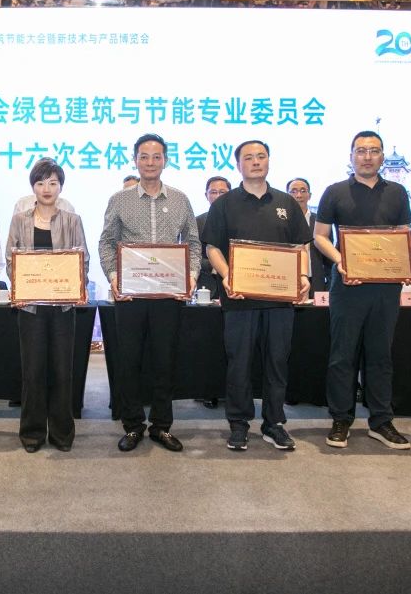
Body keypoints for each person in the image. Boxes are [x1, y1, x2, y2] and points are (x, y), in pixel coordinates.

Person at [201, 140, 310, 452]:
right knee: (239, 362)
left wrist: (303, 276)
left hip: (279, 300)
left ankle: (274, 423)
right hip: (239, 299)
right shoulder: (224, 204)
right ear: (239, 165)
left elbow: (300, 246)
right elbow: (212, 248)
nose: (256, 162)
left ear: (269, 161)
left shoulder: (287, 203)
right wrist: (228, 276)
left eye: (261, 156)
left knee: (277, 362)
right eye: (248, 158)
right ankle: (238, 423)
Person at [99, 133, 201, 453]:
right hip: (131, 296)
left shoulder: (181, 199)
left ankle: (161, 426)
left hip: (168, 296)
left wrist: (191, 277)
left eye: (157, 156)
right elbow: (106, 242)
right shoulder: (119, 199)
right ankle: (132, 426)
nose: (150, 162)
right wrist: (114, 277)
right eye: (144, 156)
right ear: (135, 160)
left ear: (166, 160)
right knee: (129, 361)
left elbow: (193, 243)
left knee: (164, 361)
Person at [313, 130, 411, 450]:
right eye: (361, 150)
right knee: (342, 355)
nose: (367, 156)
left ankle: (381, 420)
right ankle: (341, 419)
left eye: (373, 150)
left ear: (382, 156)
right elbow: (320, 236)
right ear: (351, 156)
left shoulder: (397, 192)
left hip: (385, 286)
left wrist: (404, 263)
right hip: (348, 284)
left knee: (380, 355)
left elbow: (404, 233)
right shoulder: (335, 192)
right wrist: (341, 261)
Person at [5, 158, 88, 452]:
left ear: (61, 186)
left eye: (53, 183)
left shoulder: (72, 220)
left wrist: (74, 287)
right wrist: (24, 286)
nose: (47, 188)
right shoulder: (20, 220)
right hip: (31, 309)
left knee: (62, 371)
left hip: (63, 308)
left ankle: (62, 434)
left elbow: (82, 259)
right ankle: (32, 433)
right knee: (33, 371)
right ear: (33, 187)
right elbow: (11, 260)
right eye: (40, 183)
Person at [193, 175, 231, 409]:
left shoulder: (240, 217)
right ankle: (207, 390)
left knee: (233, 342)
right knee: (207, 342)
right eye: (213, 192)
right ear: (206, 195)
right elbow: (192, 255)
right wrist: (216, 266)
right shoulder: (198, 221)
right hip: (207, 288)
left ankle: (230, 389)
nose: (217, 196)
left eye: (222, 192)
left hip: (237, 288)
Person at [286, 177, 327, 295]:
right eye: (293, 191)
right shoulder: (282, 221)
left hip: (317, 279)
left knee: (317, 307)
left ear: (310, 195)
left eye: (303, 191)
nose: (299, 195)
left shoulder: (320, 221)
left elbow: (327, 257)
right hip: (289, 279)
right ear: (287, 196)